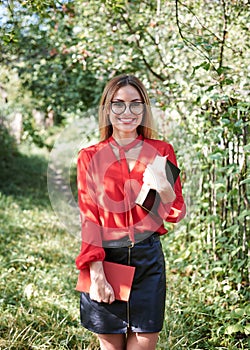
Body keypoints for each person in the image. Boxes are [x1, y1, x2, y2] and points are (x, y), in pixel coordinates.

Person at [75, 74, 186, 350]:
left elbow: (176, 212)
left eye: (136, 104)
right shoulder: (89, 156)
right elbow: (89, 218)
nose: (127, 112)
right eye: (118, 104)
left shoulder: (161, 152)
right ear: (107, 109)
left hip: (147, 260)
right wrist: (97, 273)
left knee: (145, 342)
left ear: (144, 110)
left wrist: (165, 191)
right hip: (106, 260)